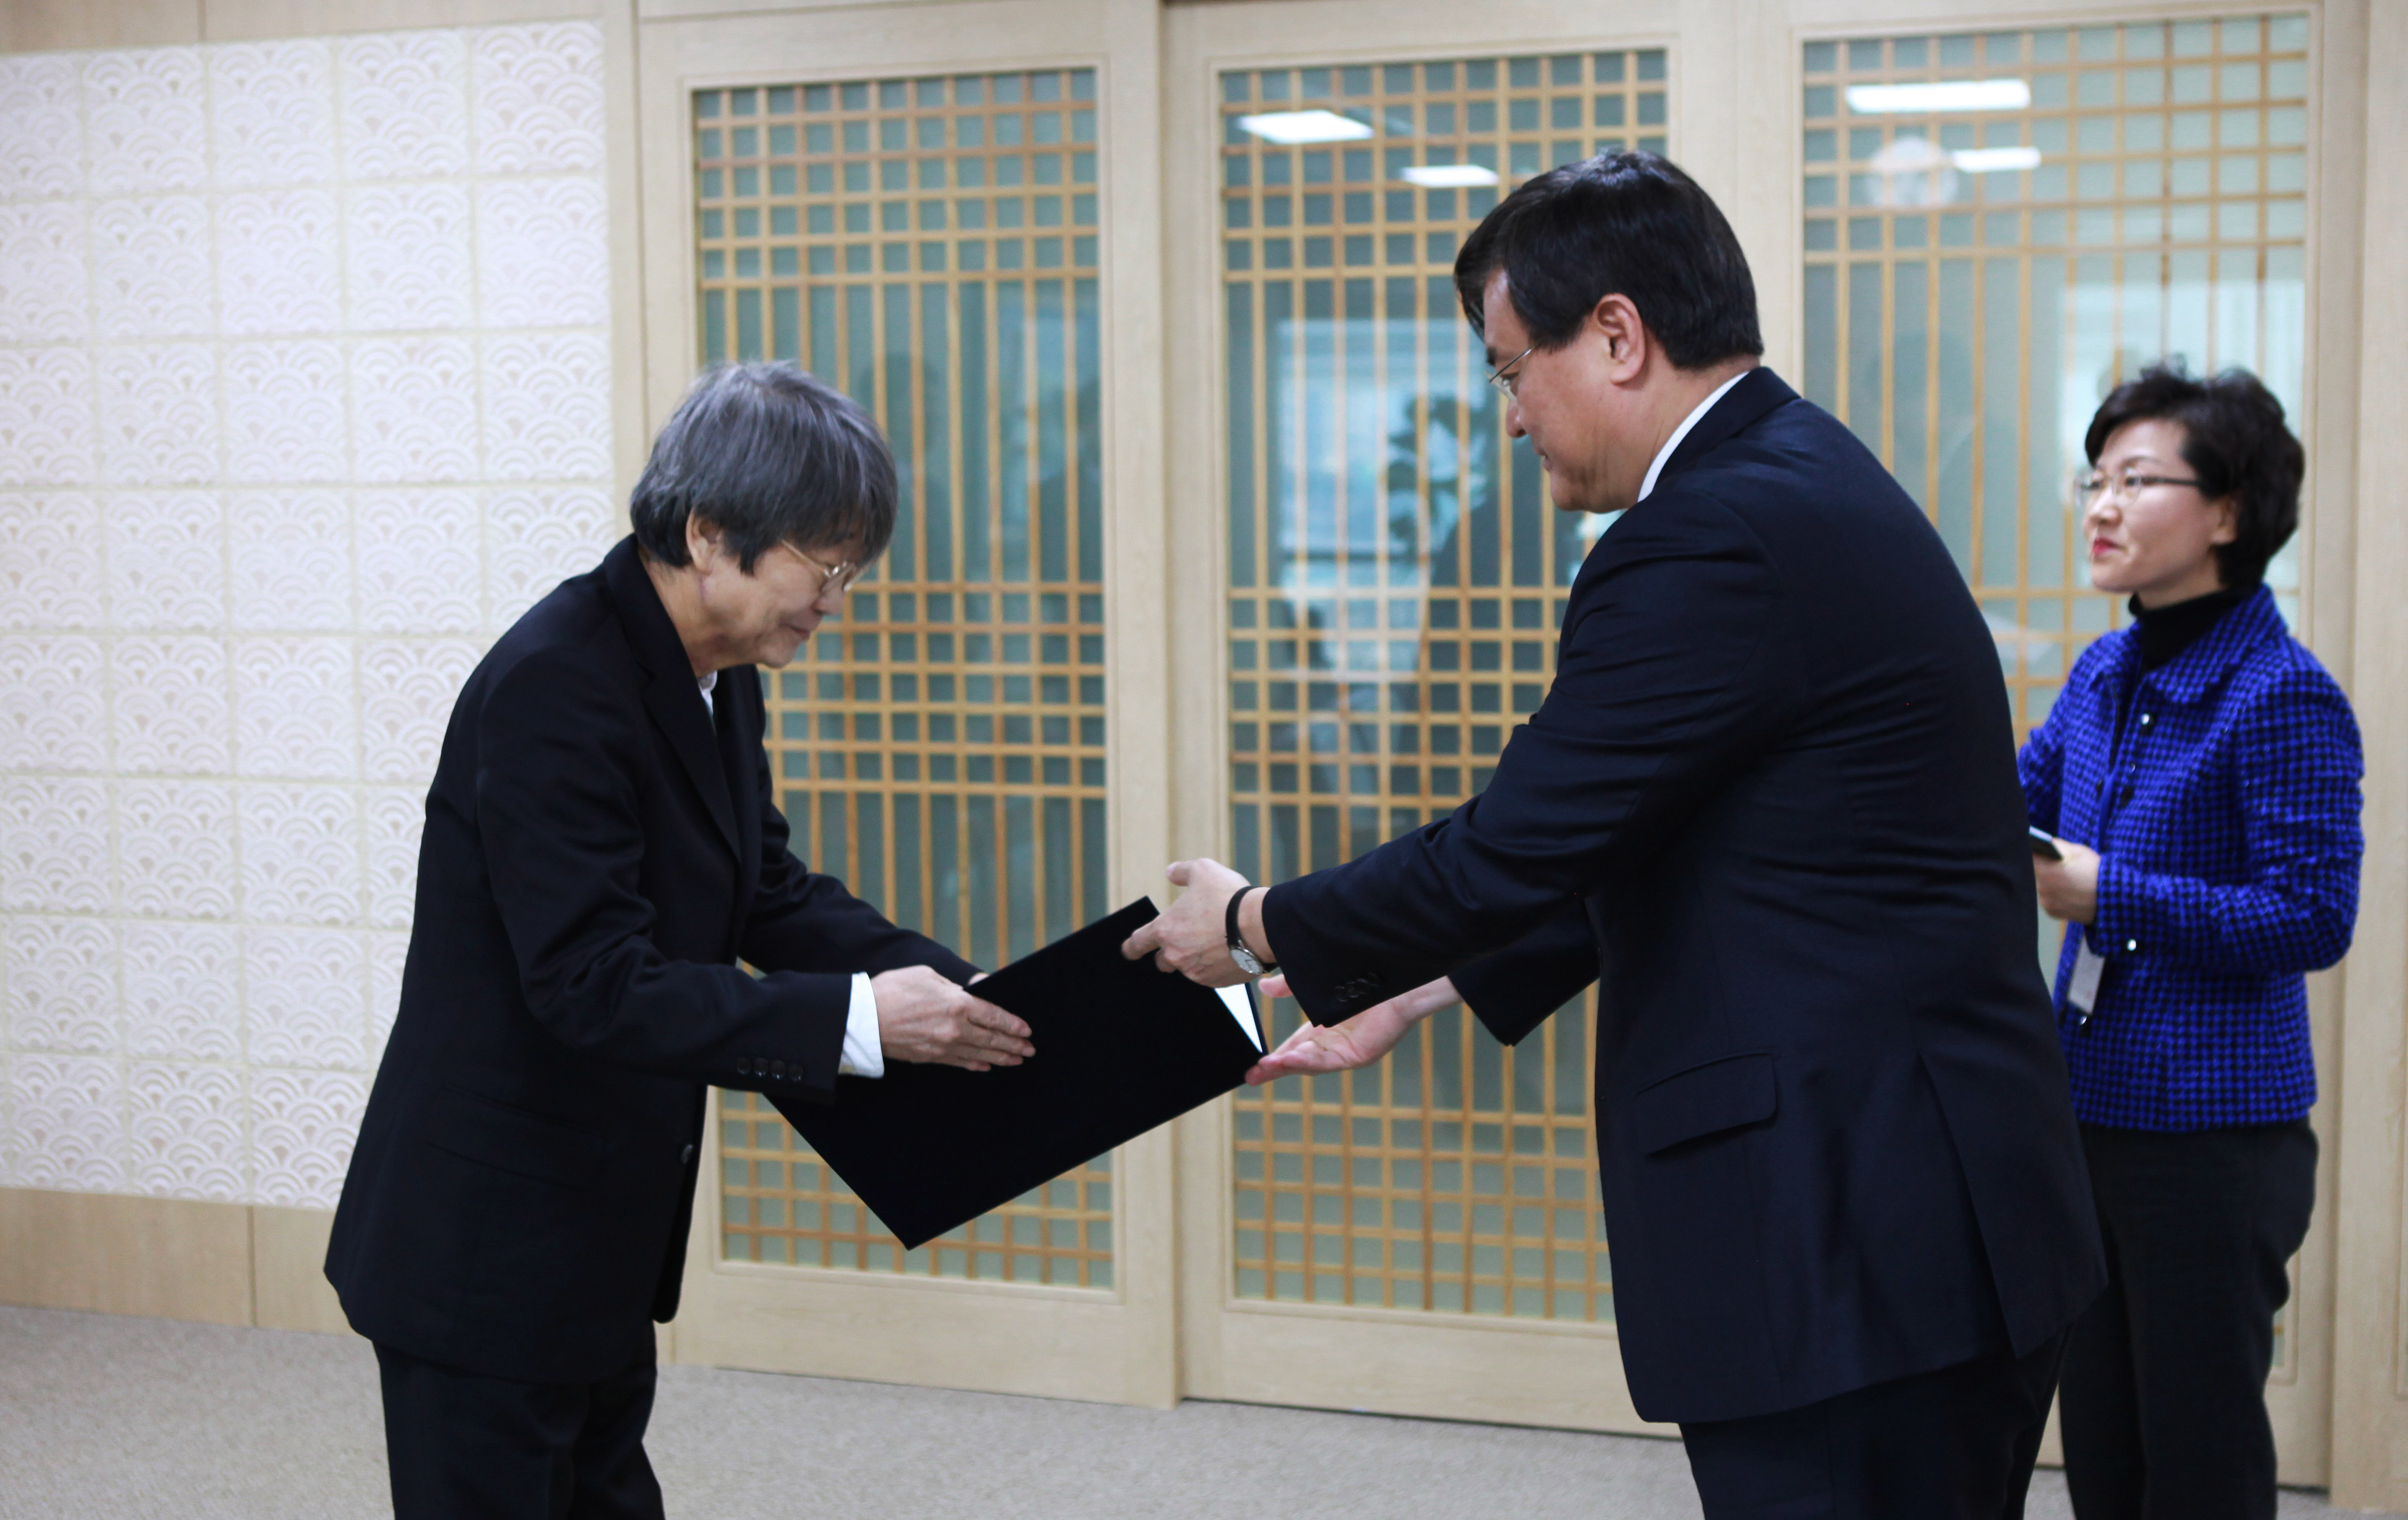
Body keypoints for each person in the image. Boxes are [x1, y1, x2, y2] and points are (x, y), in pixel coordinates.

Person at [1124, 150, 2104, 1517]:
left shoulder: (1710, 534)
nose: (1512, 417)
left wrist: (1250, 923)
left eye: (1511, 369)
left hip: (1852, 1230)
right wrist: (1421, 985)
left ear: (1620, 335)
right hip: (1927, 1204)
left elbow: (1516, 844)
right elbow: (1693, 838)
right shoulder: (1801, 474)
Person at [325, 363, 1035, 1519]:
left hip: (597, 1225)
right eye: (823, 563)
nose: (835, 598)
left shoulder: (713, 672)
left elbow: (766, 889)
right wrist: (863, 1025)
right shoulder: (556, 683)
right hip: (486, 1244)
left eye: (850, 567)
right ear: (711, 535)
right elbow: (591, 986)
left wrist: (962, 988)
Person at [2020, 365, 2362, 1520]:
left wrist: (2112, 893)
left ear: (2228, 511)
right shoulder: (2109, 670)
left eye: (2136, 479)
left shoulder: (2281, 696)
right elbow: (2009, 800)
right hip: (2090, 1112)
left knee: (2202, 1459)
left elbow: (2314, 916)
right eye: (2095, 479)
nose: (2101, 506)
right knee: (2106, 1452)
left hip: (2214, 1142)